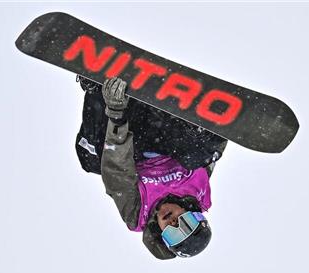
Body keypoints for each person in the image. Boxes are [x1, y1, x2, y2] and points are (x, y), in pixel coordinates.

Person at [75, 77, 227, 259]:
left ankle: (97, 85)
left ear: (161, 235)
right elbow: (211, 151)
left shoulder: (137, 213)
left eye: (173, 233)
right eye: (185, 223)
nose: (173, 222)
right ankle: (184, 101)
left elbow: (117, 172)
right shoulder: (197, 190)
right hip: (166, 126)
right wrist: (221, 128)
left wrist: (116, 114)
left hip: (133, 130)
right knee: (198, 156)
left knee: (90, 158)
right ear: (193, 214)